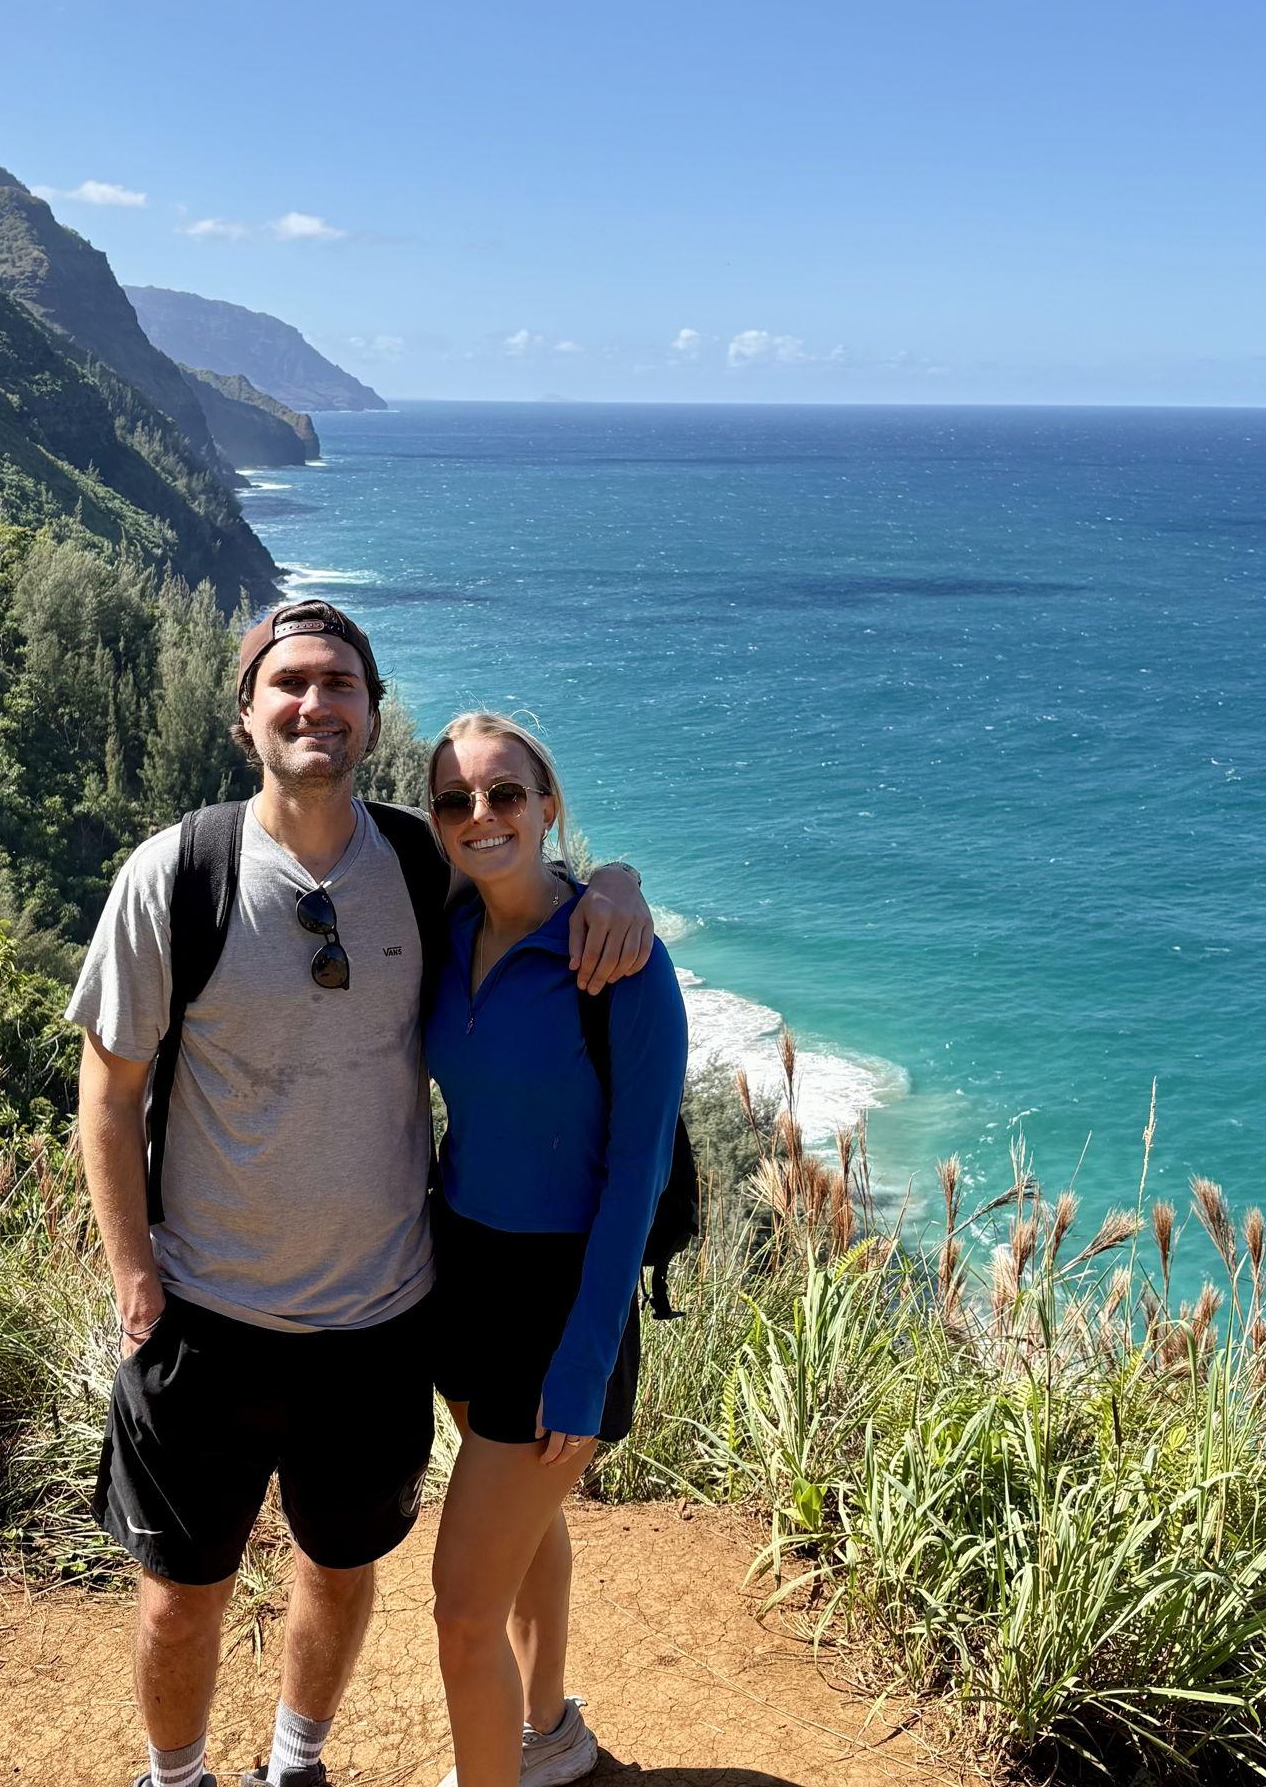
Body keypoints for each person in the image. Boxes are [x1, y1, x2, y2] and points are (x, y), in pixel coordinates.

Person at [68, 600, 655, 1787]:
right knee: (179, 1595)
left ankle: (297, 1765)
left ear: (371, 717)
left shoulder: (420, 866)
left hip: (381, 1318)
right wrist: (132, 1272)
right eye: (287, 681)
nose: (313, 702)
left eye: (339, 682)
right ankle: (175, 1777)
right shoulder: (176, 873)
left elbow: (526, 887)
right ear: (245, 716)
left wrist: (616, 880)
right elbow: (109, 1089)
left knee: (339, 1568)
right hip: (206, 1311)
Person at [422, 712, 687, 1787]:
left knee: (459, 1608)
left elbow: (638, 1176)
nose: (480, 814)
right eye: (455, 799)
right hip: (461, 1271)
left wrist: (585, 1362)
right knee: (523, 1528)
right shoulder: (446, 929)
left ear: (547, 806)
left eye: (505, 793)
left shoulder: (619, 961)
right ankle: (549, 1731)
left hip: (561, 1293)